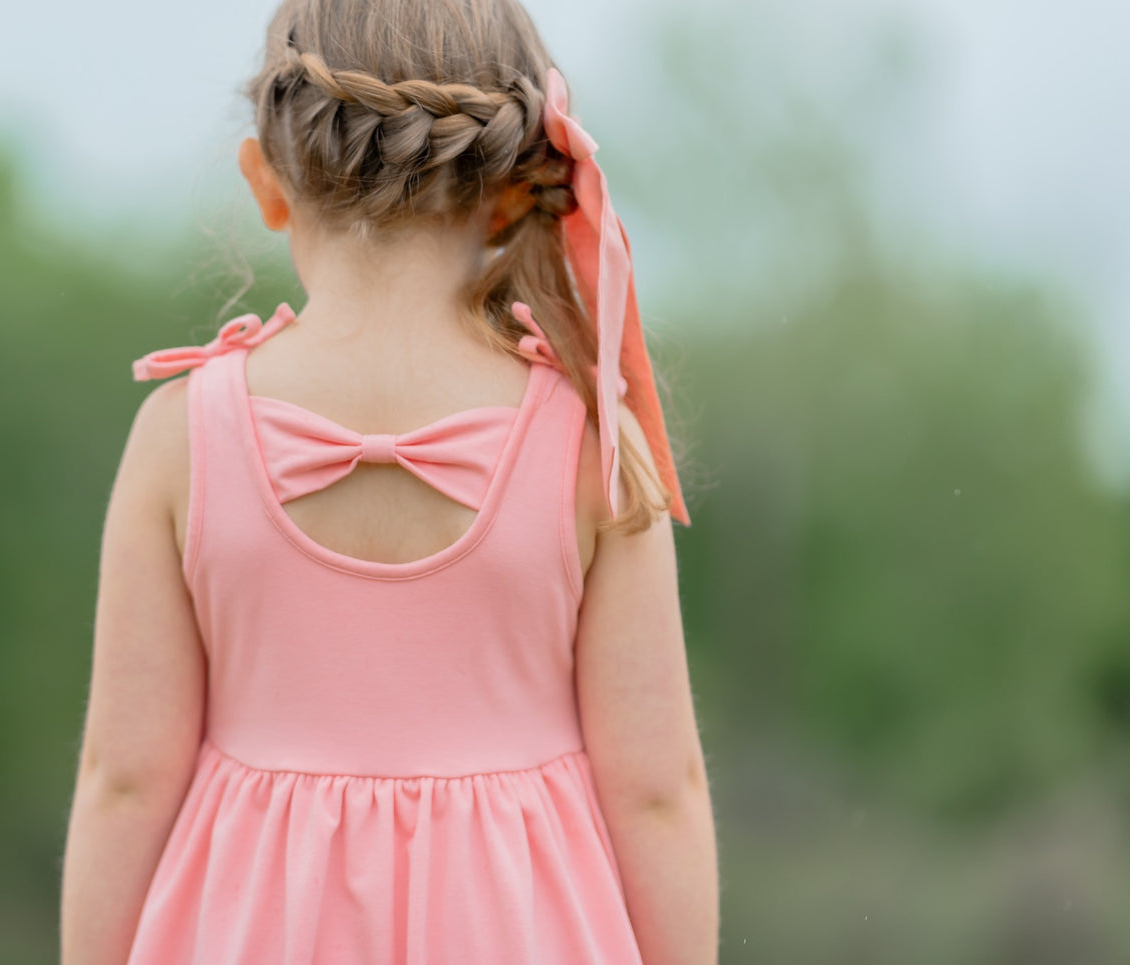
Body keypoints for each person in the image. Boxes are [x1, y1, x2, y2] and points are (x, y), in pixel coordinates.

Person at [60, 1, 718, 962]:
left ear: (267, 179)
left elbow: (123, 777)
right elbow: (658, 791)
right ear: (512, 191)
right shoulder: (589, 442)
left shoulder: (179, 436)